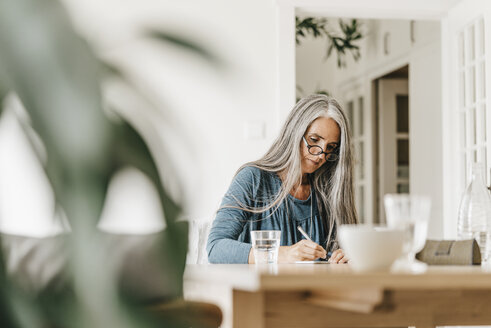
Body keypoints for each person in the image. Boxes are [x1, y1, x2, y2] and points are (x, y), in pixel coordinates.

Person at [206, 94, 358, 264]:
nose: (321, 154)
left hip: (316, 290)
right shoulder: (253, 179)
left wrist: (348, 255)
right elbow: (215, 248)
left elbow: (334, 257)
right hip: (262, 290)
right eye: (314, 140)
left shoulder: (328, 189)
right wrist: (281, 254)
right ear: (294, 133)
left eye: (330, 147)